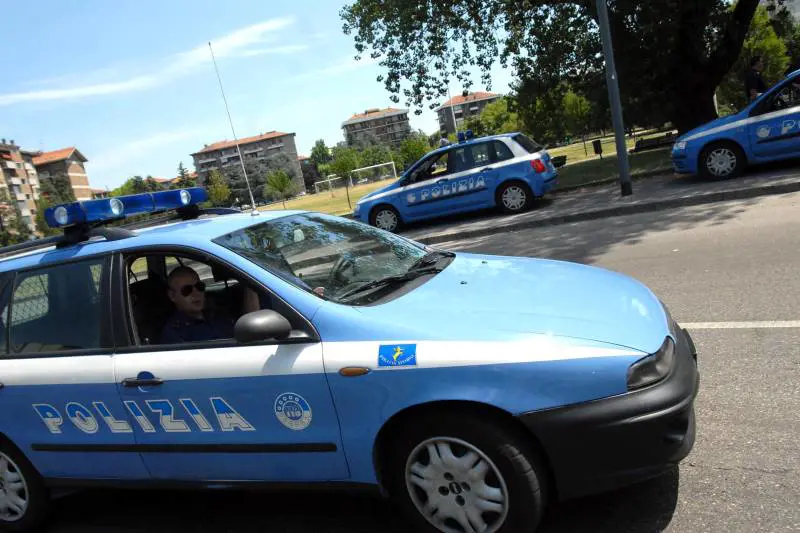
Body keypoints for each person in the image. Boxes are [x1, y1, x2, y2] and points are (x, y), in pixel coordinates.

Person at [160, 265, 260, 344]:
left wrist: (250, 285)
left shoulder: (219, 314)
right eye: (187, 290)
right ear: (172, 296)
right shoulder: (175, 333)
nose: (196, 293)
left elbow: (250, 333)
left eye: (199, 287)